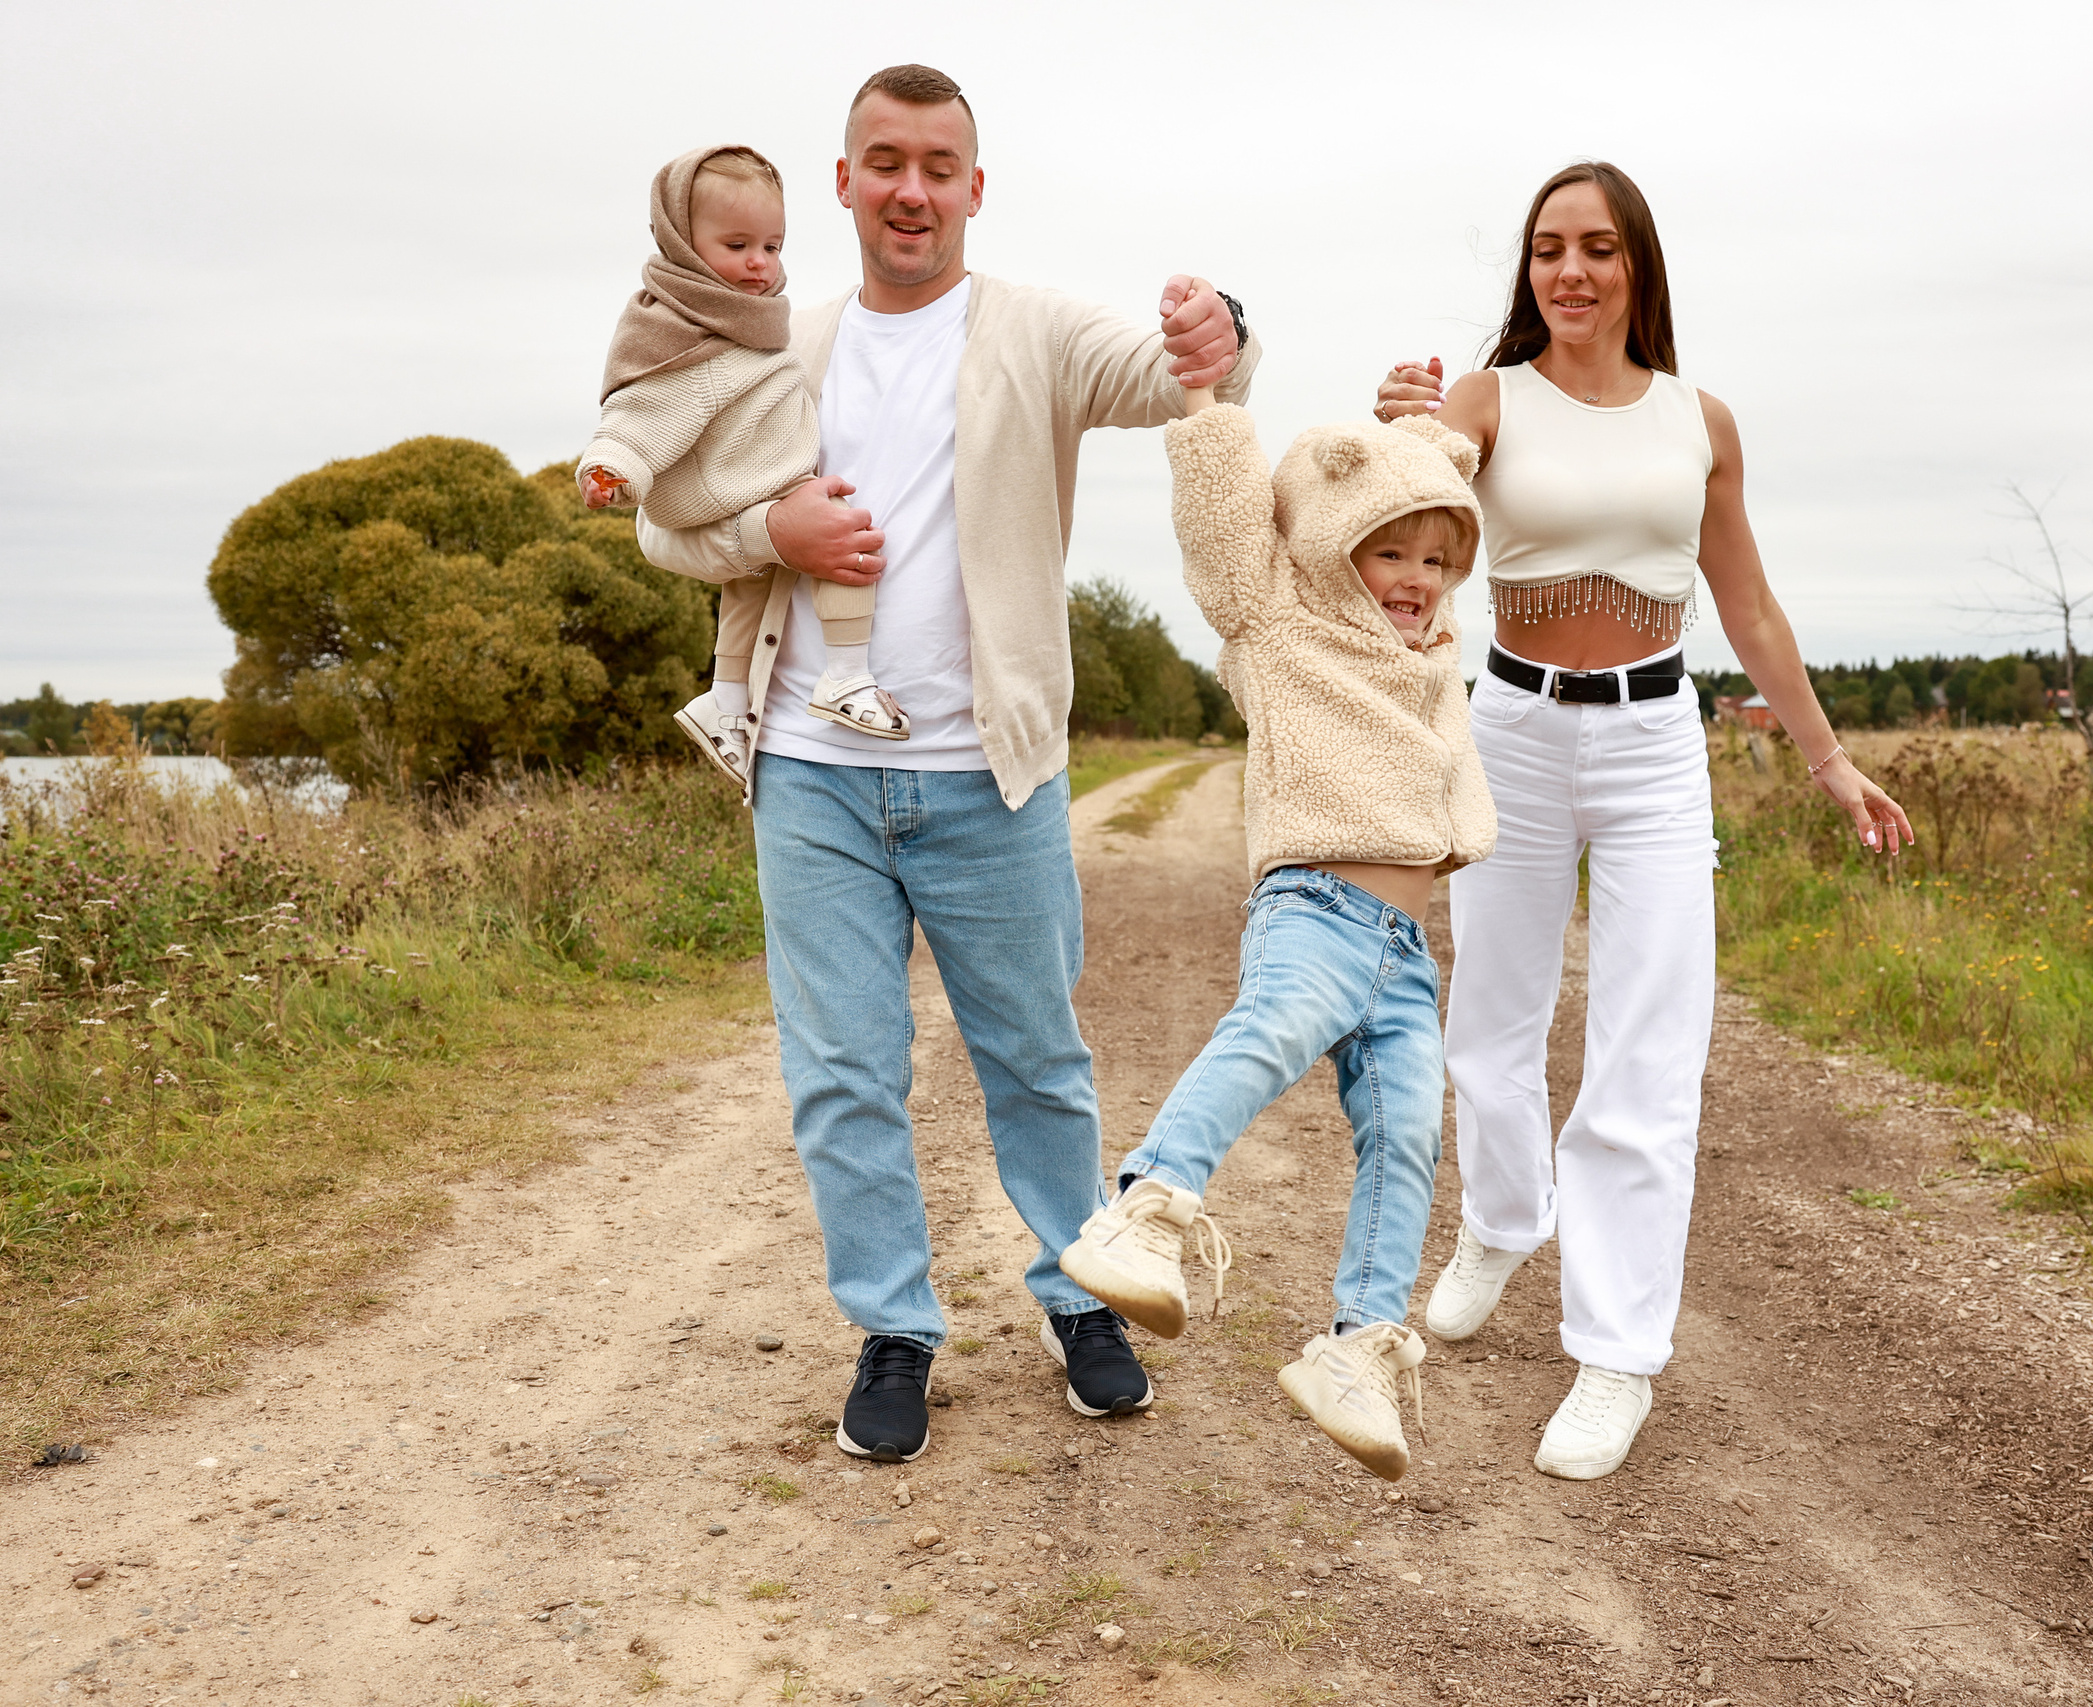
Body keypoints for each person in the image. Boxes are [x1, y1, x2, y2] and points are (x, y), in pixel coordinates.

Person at [635, 64, 1258, 1462]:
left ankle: (1074, 1292)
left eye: (938, 164)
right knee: (845, 1071)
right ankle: (894, 1328)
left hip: (996, 772)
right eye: (883, 161)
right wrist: (771, 539)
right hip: (809, 769)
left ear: (976, 187)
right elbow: (663, 523)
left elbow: (1178, 380)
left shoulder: (1034, 330)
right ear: (845, 180)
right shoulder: (766, 347)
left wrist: (1222, 327)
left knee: (1036, 1058)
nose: (911, 188)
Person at [1374, 162, 1915, 1481]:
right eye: (1549, 248)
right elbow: (1402, 525)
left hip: (1655, 738)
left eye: (1597, 248)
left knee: (1648, 1046)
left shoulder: (1701, 421)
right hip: (1509, 725)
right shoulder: (1488, 400)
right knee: (1491, 1022)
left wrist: (1827, 756)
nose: (1571, 271)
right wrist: (1396, 433)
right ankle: (1503, 1220)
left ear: (1635, 267)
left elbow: (1753, 605)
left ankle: (1616, 1350)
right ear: (1530, 270)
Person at [1058, 387, 1495, 1482]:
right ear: (1331, 551)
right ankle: (1145, 1206)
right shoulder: (1280, 620)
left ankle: (1357, 1347)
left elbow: (1446, 467)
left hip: (1402, 950)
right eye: (1387, 552)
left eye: (1435, 561)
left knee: (1408, 1136)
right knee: (1272, 1027)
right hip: (1317, 907)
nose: (1413, 579)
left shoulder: (1429, 654)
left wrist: (1423, 430)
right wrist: (1209, 405)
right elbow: (1225, 530)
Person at [578, 146, 909, 782]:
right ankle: (846, 674)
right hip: (735, 482)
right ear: (682, 242)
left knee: (753, 582)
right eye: (737, 246)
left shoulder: (746, 325)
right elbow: (644, 412)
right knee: (843, 536)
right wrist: (612, 470)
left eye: (773, 246)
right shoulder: (684, 338)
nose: (760, 264)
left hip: (752, 484)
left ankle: (726, 700)